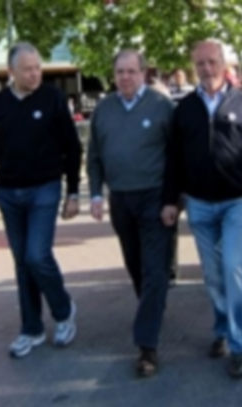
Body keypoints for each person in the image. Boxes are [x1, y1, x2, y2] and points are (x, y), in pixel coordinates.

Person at [162, 39, 242, 379]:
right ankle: (222, 329)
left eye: (212, 62)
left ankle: (239, 346)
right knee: (212, 275)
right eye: (200, 64)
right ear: (193, 67)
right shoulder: (184, 109)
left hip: (237, 203)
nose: (207, 70)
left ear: (223, 64)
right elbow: (174, 160)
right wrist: (170, 200)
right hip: (199, 205)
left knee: (234, 269)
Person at [0, 42, 81, 358]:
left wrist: (73, 192)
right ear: (11, 71)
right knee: (22, 263)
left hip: (45, 188)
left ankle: (63, 310)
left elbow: (72, 147)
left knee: (36, 255)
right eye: (27, 69)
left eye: (37, 67)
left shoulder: (53, 98)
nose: (34, 73)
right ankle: (32, 328)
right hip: (8, 192)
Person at [87, 49, 175, 377]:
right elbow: (94, 155)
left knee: (154, 270)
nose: (125, 77)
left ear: (143, 73)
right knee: (136, 266)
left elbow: (175, 156)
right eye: (120, 72)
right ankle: (152, 309)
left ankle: (146, 346)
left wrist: (173, 200)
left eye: (131, 71)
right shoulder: (104, 109)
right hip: (120, 199)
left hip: (154, 196)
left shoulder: (161, 105)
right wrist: (95, 193)